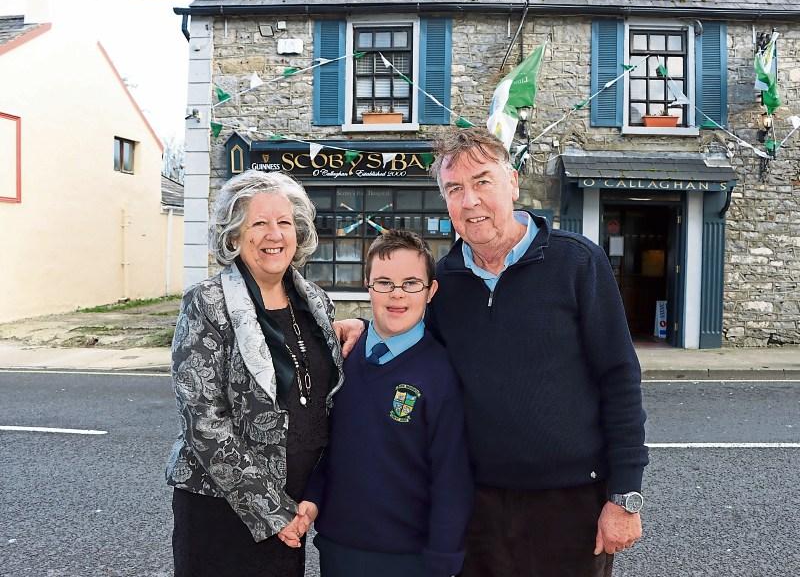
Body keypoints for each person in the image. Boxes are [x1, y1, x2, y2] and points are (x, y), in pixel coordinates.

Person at [337, 127, 648, 577]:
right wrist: (365, 330)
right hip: (476, 505)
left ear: (513, 182)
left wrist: (624, 497)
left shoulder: (577, 263)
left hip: (571, 503)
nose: (470, 201)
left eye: (482, 181)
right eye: (454, 189)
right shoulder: (444, 280)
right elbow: (413, 342)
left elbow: (619, 378)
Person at [165, 170, 345, 577]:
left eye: (283, 222)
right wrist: (272, 510)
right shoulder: (207, 303)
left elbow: (323, 395)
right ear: (233, 237)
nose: (274, 234)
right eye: (259, 223)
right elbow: (204, 421)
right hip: (221, 507)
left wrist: (306, 498)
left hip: (295, 502)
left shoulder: (315, 301)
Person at [301, 229, 473, 577]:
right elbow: (327, 446)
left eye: (411, 283)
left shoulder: (441, 374)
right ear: (368, 285)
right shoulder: (341, 358)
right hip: (339, 546)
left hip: (408, 557)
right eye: (384, 282)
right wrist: (312, 498)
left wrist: (444, 557)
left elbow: (451, 478)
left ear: (430, 291)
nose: (397, 294)